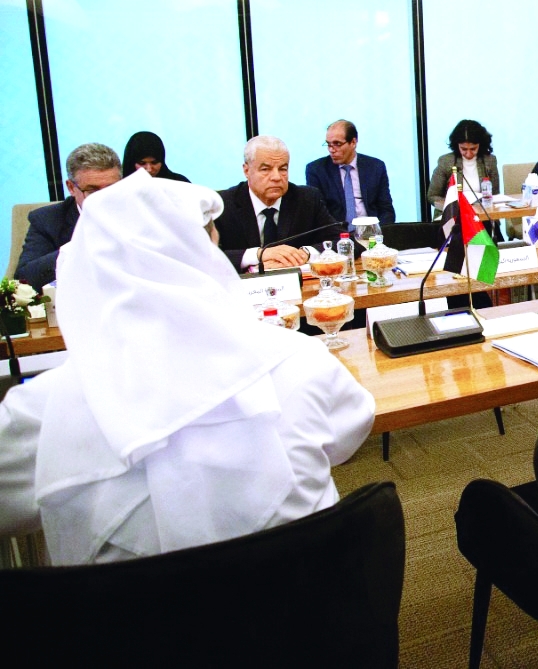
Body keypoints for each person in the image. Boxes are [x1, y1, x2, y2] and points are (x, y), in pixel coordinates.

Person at [0, 171, 374, 565]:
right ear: (208, 254)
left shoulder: (40, 409)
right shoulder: (300, 359)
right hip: (298, 589)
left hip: (122, 605)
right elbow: (347, 434)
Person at [215, 135, 341, 273]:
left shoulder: (307, 199)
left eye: (282, 169)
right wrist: (259, 255)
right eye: (265, 169)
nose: (276, 177)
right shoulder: (222, 204)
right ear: (246, 171)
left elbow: (344, 241)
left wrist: (305, 253)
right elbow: (205, 257)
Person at [15, 143, 122, 289]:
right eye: (92, 191)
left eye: (112, 188)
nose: (103, 198)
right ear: (71, 187)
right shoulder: (47, 219)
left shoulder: (141, 211)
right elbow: (25, 279)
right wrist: (77, 248)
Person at [305, 119, 395, 228]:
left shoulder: (375, 167)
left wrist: (379, 232)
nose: (331, 150)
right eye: (328, 144)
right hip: (336, 233)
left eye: (337, 144)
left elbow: (386, 209)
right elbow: (318, 214)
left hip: (371, 232)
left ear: (353, 142)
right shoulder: (316, 170)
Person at [427, 119, 500, 213]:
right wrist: (452, 208)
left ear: (480, 145)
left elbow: (495, 195)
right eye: (464, 149)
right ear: (457, 145)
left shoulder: (489, 161)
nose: (468, 154)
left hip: (481, 215)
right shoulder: (446, 161)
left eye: (473, 149)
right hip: (452, 216)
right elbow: (432, 196)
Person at [121, 131, 190, 183]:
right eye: (142, 163)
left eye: (154, 163)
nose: (149, 169)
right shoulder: (119, 187)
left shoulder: (180, 184)